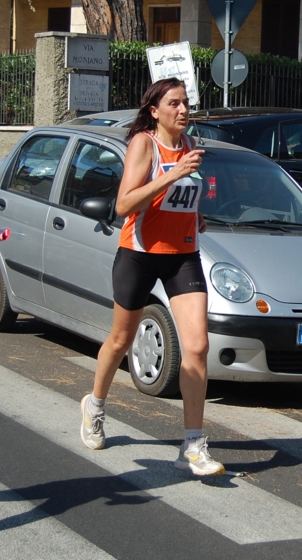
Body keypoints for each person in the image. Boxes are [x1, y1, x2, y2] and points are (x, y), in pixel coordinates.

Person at [80, 77, 225, 477]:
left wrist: (197, 215)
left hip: (182, 256)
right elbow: (125, 204)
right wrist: (172, 173)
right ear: (155, 110)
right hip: (139, 254)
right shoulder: (144, 143)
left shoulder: (192, 147)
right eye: (174, 104)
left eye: (186, 104)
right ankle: (94, 404)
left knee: (197, 347)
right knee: (121, 339)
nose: (183, 110)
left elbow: (185, 196)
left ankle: (193, 444)